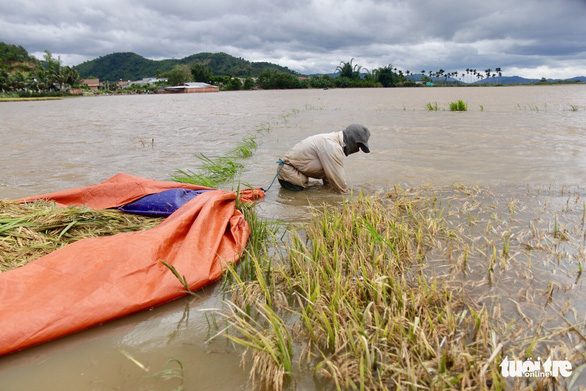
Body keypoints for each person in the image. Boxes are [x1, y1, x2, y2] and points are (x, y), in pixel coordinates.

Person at [277, 124, 371, 193]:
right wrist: (348, 197)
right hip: (290, 176)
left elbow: (329, 175)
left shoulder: (334, 143)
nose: (358, 149)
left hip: (296, 174)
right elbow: (337, 179)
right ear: (352, 139)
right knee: (301, 199)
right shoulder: (332, 147)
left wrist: (328, 189)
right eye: (359, 146)